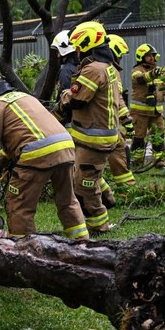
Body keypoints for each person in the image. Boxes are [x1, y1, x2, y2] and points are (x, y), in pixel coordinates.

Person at [0, 73, 88, 240]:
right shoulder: (25, 98)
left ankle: (24, 249)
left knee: (18, 205)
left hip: (36, 153)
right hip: (65, 148)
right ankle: (82, 244)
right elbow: (22, 139)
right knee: (68, 201)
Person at [59, 21, 122, 235]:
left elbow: (77, 100)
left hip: (94, 139)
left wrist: (64, 95)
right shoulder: (106, 66)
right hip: (96, 136)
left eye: (78, 45)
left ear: (86, 44)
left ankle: (99, 226)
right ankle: (108, 197)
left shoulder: (94, 69)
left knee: (84, 185)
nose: (76, 51)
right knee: (87, 173)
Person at [105, 34, 136, 187]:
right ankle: (126, 187)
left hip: (101, 120)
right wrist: (128, 121)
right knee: (120, 150)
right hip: (106, 121)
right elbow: (118, 99)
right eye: (120, 55)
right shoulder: (111, 70)